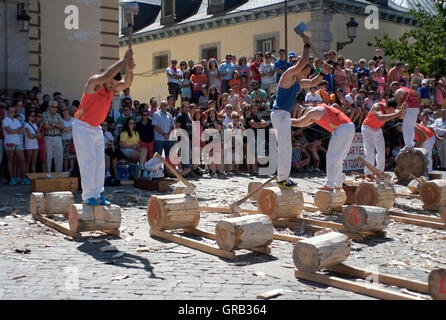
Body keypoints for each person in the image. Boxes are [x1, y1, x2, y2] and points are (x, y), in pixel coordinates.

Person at [73, 48, 135, 206]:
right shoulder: (94, 82)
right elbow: (106, 76)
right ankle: (88, 196)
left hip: (96, 128)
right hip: (82, 126)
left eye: (113, 84)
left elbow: (127, 83)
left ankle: (98, 193)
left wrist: (129, 69)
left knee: (100, 162)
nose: (110, 87)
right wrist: (123, 60)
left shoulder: (111, 87)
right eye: (110, 83)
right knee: (89, 161)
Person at [271, 33, 329, 187]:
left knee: (286, 146)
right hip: (280, 113)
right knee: (285, 147)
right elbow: (302, 61)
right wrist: (306, 44)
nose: (306, 75)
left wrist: (322, 72)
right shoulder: (288, 75)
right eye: (305, 72)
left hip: (283, 115)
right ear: (300, 69)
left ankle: (283, 177)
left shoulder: (297, 82)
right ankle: (282, 179)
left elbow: (313, 82)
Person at [292, 104, 355, 191]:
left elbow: (300, 122)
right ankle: (338, 183)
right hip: (349, 126)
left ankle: (329, 184)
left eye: (306, 115)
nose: (308, 118)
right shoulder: (321, 108)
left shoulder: (312, 112)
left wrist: (286, 120)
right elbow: (304, 124)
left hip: (342, 128)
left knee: (331, 157)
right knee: (338, 158)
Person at [361, 99, 405, 180]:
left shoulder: (391, 108)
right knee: (370, 150)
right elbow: (381, 118)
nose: (391, 112)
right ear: (387, 106)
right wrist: (396, 114)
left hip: (377, 129)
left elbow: (401, 115)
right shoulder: (377, 106)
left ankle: (379, 172)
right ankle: (368, 174)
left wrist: (403, 110)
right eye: (391, 110)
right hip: (367, 128)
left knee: (381, 151)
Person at [3, 105, 29, 185]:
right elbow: (9, 131)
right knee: (11, 161)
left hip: (17, 142)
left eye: (13, 112)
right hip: (9, 142)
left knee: (22, 160)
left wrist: (14, 131)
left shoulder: (16, 120)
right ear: (7, 111)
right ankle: (12, 178)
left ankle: (23, 177)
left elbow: (21, 131)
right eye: (11, 111)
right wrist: (16, 131)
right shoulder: (5, 120)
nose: (12, 113)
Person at [392, 81, 420, 151]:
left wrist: (398, 115)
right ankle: (411, 144)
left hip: (409, 108)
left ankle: (408, 145)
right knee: (411, 126)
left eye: (391, 88)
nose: (391, 90)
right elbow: (418, 94)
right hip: (416, 107)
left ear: (394, 86)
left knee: (406, 127)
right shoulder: (407, 89)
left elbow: (398, 105)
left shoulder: (398, 91)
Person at [152, 100, 175, 174]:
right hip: (159, 139)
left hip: (167, 139)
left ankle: (167, 171)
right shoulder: (156, 114)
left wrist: (168, 134)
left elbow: (172, 126)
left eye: (166, 105)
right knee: (158, 156)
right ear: (160, 106)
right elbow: (155, 126)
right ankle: (157, 172)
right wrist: (164, 134)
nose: (164, 106)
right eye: (163, 105)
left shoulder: (169, 115)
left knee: (168, 156)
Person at [43, 100, 64, 172]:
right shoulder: (44, 114)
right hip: (48, 137)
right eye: (53, 107)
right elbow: (46, 126)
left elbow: (62, 126)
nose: (55, 108)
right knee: (48, 157)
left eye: (56, 107)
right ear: (49, 107)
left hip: (58, 137)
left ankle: (59, 174)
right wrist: (57, 126)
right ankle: (48, 174)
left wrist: (54, 125)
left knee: (59, 156)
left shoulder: (58, 115)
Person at [24, 109, 41, 174]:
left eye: (34, 116)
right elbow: (30, 136)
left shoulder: (34, 124)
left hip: (35, 145)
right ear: (28, 116)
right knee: (28, 161)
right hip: (28, 145)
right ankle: (27, 176)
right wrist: (35, 135)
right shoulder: (26, 124)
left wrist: (34, 135)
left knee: (34, 161)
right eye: (31, 116)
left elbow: (39, 136)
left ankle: (33, 176)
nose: (33, 117)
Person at [61, 107, 75, 172]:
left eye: (66, 110)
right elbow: (63, 129)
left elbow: (74, 128)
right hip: (64, 140)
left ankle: (71, 171)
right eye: (63, 111)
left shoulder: (73, 119)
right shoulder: (61, 120)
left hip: (72, 140)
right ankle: (66, 172)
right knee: (65, 158)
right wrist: (70, 128)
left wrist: (67, 129)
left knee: (72, 157)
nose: (65, 112)